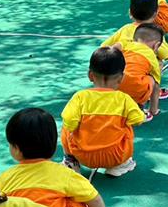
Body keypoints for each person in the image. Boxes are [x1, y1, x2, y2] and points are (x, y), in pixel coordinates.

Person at [61, 47, 146, 177]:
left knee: (66, 127)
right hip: (115, 156)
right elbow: (139, 120)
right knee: (127, 125)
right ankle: (119, 166)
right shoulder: (124, 100)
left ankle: (71, 161)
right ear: (121, 78)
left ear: (90, 75)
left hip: (84, 156)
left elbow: (69, 122)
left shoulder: (80, 97)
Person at [103, 0, 168, 105]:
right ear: (156, 14)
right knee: (158, 62)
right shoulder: (154, 33)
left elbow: (105, 46)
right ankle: (152, 92)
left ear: (130, 13)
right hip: (138, 82)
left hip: (117, 76)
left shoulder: (125, 29)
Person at [116, 23, 165, 120]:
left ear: (133, 39)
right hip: (136, 89)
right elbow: (156, 87)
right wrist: (154, 110)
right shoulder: (151, 57)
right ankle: (139, 107)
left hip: (114, 84)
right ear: (156, 46)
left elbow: (114, 47)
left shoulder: (126, 44)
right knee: (152, 78)